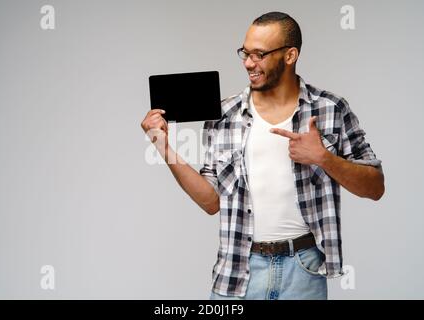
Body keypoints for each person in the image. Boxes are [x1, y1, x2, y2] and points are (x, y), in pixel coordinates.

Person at [140, 11, 384, 300]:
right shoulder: (224, 115)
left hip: (304, 272)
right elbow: (211, 202)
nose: (247, 63)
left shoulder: (330, 109)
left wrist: (324, 158)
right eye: (245, 52)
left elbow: (375, 187)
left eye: (259, 54)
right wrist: (163, 146)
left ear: (290, 55)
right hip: (239, 272)